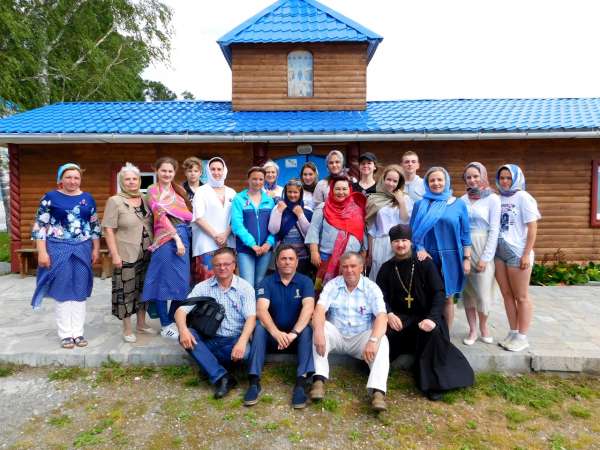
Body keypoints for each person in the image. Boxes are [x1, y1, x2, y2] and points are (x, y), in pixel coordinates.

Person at [376, 224, 474, 401]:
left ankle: (434, 383)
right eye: (396, 241)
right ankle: (380, 369)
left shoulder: (424, 263)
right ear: (391, 244)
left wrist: (432, 318)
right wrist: (389, 314)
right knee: (383, 333)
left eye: (404, 240)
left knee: (434, 332)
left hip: (425, 315)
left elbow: (439, 292)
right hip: (400, 317)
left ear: (411, 242)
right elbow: (379, 297)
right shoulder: (386, 268)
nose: (400, 244)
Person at [31, 163, 101, 348]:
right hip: (57, 248)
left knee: (79, 288)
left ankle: (78, 333)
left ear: (80, 179)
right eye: (68, 177)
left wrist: (96, 248)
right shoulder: (50, 197)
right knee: (62, 289)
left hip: (82, 248)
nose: (73, 181)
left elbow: (94, 225)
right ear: (61, 178)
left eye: (76, 177)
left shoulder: (88, 198)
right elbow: (40, 227)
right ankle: (65, 334)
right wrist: (42, 252)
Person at [311, 252, 389, 411]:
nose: (349, 270)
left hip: (360, 339)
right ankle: (319, 381)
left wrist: (373, 340)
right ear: (341, 269)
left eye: (353, 266)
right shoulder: (333, 285)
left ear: (361, 267)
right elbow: (319, 309)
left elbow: (382, 316)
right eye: (345, 266)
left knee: (382, 340)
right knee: (320, 327)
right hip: (337, 337)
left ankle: (378, 392)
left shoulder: (371, 287)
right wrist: (318, 333)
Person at [175, 248, 256, 399]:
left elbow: (251, 317)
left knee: (245, 353)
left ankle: (206, 363)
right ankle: (223, 377)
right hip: (209, 338)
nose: (222, 268)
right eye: (217, 264)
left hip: (234, 338)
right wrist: (183, 330)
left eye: (226, 264)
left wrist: (242, 342)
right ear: (212, 266)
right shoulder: (203, 286)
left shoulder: (245, 288)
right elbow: (180, 310)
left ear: (234, 265)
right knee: (186, 335)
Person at [244, 245, 315, 408]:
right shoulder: (266, 282)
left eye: (291, 259)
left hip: (295, 340)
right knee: (260, 328)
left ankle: (300, 385)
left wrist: (293, 333)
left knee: (307, 331)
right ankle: (254, 382)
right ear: (276, 262)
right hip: (272, 339)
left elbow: (308, 308)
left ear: (297, 262)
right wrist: (276, 333)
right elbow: (261, 310)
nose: (287, 262)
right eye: (283, 258)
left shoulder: (305, 281)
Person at [409, 167, 471, 330]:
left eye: (440, 180)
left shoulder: (459, 204)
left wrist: (466, 259)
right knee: (426, 297)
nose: (436, 183)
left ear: (446, 181)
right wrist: (419, 248)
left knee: (447, 298)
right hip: (426, 258)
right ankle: (426, 333)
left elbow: (465, 234)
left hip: (451, 258)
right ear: (427, 183)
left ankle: (446, 336)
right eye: (432, 180)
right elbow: (412, 231)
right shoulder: (420, 205)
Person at [102, 163, 157, 343]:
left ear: (139, 180)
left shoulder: (146, 199)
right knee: (126, 290)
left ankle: (141, 323)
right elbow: (109, 229)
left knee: (143, 289)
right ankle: (127, 328)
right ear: (121, 181)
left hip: (147, 252)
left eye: (134, 179)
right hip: (125, 252)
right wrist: (115, 255)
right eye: (127, 179)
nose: (131, 182)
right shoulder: (115, 201)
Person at [141, 157, 193, 340]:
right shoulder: (152, 189)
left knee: (181, 282)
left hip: (182, 235)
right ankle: (164, 324)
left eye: (170, 171)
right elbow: (160, 213)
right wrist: (176, 238)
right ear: (156, 171)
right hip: (164, 237)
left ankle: (172, 321)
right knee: (162, 281)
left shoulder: (178, 190)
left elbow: (188, 214)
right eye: (163, 170)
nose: (167, 174)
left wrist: (181, 237)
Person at [494, 164, 541, 352]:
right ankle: (513, 332)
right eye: (502, 178)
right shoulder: (497, 198)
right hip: (500, 251)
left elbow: (532, 227)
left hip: (517, 251)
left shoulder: (523, 197)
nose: (505, 181)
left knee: (521, 297)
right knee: (507, 295)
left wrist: (526, 254)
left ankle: (522, 336)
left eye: (508, 178)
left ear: (516, 178)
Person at [459, 162, 501, 346]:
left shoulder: (492, 199)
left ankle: (484, 326)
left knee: (483, 292)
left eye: (475, 176)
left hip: (484, 246)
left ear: (482, 176)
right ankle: (473, 329)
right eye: (468, 177)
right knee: (468, 291)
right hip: (465, 247)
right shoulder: (462, 199)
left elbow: (495, 230)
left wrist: (486, 257)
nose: (472, 180)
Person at [305, 176, 367, 297]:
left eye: (344, 189)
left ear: (350, 190)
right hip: (326, 257)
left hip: (352, 259)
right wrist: (314, 252)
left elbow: (362, 233)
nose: (341, 192)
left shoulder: (358, 209)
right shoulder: (323, 207)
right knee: (325, 292)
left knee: (350, 290)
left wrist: (363, 257)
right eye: (337, 189)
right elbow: (313, 230)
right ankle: (324, 314)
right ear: (332, 190)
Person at [191, 157, 236, 284]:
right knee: (207, 282)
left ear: (224, 171)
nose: (216, 172)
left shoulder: (232, 193)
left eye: (219, 169)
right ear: (208, 171)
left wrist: (225, 234)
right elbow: (199, 218)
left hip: (228, 243)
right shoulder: (201, 191)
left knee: (227, 281)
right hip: (206, 244)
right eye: (213, 169)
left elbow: (236, 219)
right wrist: (217, 236)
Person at [365, 165, 413, 281]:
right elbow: (372, 229)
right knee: (380, 277)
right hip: (381, 243)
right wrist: (370, 254)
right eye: (389, 179)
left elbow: (406, 220)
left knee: (399, 277)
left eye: (395, 181)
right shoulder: (374, 199)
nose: (391, 183)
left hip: (399, 244)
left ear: (399, 182)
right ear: (383, 179)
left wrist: (401, 202)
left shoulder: (405, 198)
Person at [232, 166, 275, 291]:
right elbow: (237, 225)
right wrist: (253, 245)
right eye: (254, 179)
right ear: (248, 180)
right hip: (246, 249)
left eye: (261, 179)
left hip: (265, 250)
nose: (258, 182)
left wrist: (269, 242)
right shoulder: (239, 199)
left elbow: (275, 225)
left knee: (260, 284)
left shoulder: (269, 200)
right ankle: (249, 311)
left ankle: (258, 311)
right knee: (247, 285)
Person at [268, 178, 313, 276]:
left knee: (301, 285)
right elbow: (273, 230)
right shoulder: (278, 207)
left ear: (301, 193)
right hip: (282, 257)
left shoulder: (307, 209)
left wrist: (300, 215)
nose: (292, 195)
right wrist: (279, 211)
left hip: (302, 257)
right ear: (285, 192)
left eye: (295, 192)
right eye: (289, 192)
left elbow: (310, 233)